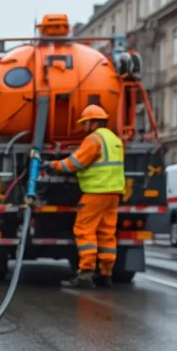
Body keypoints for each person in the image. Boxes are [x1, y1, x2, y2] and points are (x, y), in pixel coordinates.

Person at [43, 104, 125, 290]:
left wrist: (52, 165)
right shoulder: (114, 139)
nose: (84, 127)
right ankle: (105, 273)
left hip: (96, 191)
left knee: (84, 230)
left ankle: (86, 274)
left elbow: (75, 163)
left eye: (86, 123)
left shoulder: (94, 139)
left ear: (94, 122)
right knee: (106, 233)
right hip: (114, 192)